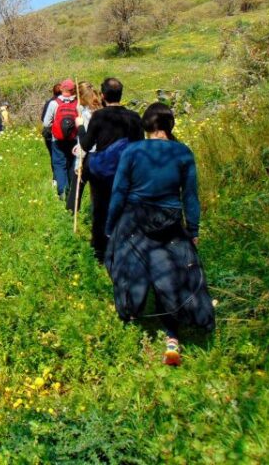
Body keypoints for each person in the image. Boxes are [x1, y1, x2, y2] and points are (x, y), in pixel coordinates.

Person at [104, 102, 215, 366]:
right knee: (171, 274)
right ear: (169, 126)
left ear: (146, 126)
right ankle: (172, 338)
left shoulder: (133, 151)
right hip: (170, 220)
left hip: (135, 218)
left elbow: (118, 192)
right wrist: (194, 229)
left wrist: (110, 227)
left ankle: (130, 318)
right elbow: (190, 197)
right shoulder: (182, 153)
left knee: (129, 267)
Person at [79, 78, 143, 261]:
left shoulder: (99, 116)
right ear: (121, 95)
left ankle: (101, 250)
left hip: (103, 173)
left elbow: (85, 144)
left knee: (100, 209)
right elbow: (141, 146)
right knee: (126, 207)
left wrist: (80, 128)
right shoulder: (134, 117)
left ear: (103, 95)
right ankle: (127, 244)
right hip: (128, 171)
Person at [66, 82, 102, 212]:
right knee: (97, 189)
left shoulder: (86, 114)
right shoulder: (100, 110)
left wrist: (78, 161)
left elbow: (86, 139)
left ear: (81, 96)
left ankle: (71, 212)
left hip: (89, 155)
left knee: (77, 185)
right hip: (102, 154)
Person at [43, 79, 78, 201]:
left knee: (59, 164)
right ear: (73, 90)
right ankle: (72, 191)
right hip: (73, 140)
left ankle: (62, 190)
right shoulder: (77, 104)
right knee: (72, 164)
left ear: (62, 89)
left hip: (57, 140)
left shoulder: (54, 103)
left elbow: (46, 122)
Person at [41, 83, 63, 178]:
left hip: (50, 133)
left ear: (53, 92)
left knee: (53, 156)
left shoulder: (50, 102)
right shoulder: (68, 102)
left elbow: (43, 119)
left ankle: (55, 177)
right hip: (65, 133)